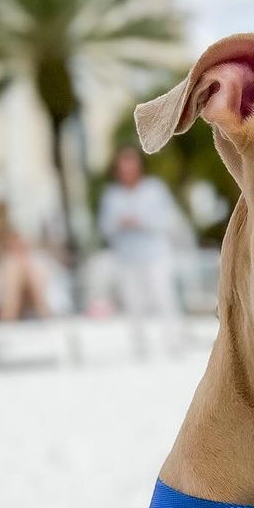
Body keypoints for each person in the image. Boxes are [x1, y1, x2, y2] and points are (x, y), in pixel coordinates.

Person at [96, 145, 191, 353]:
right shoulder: (112, 195)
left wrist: (142, 221)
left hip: (155, 255)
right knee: (133, 303)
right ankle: (139, 346)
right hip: (126, 258)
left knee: (164, 297)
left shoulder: (154, 189)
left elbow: (169, 220)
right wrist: (119, 222)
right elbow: (104, 227)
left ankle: (174, 341)